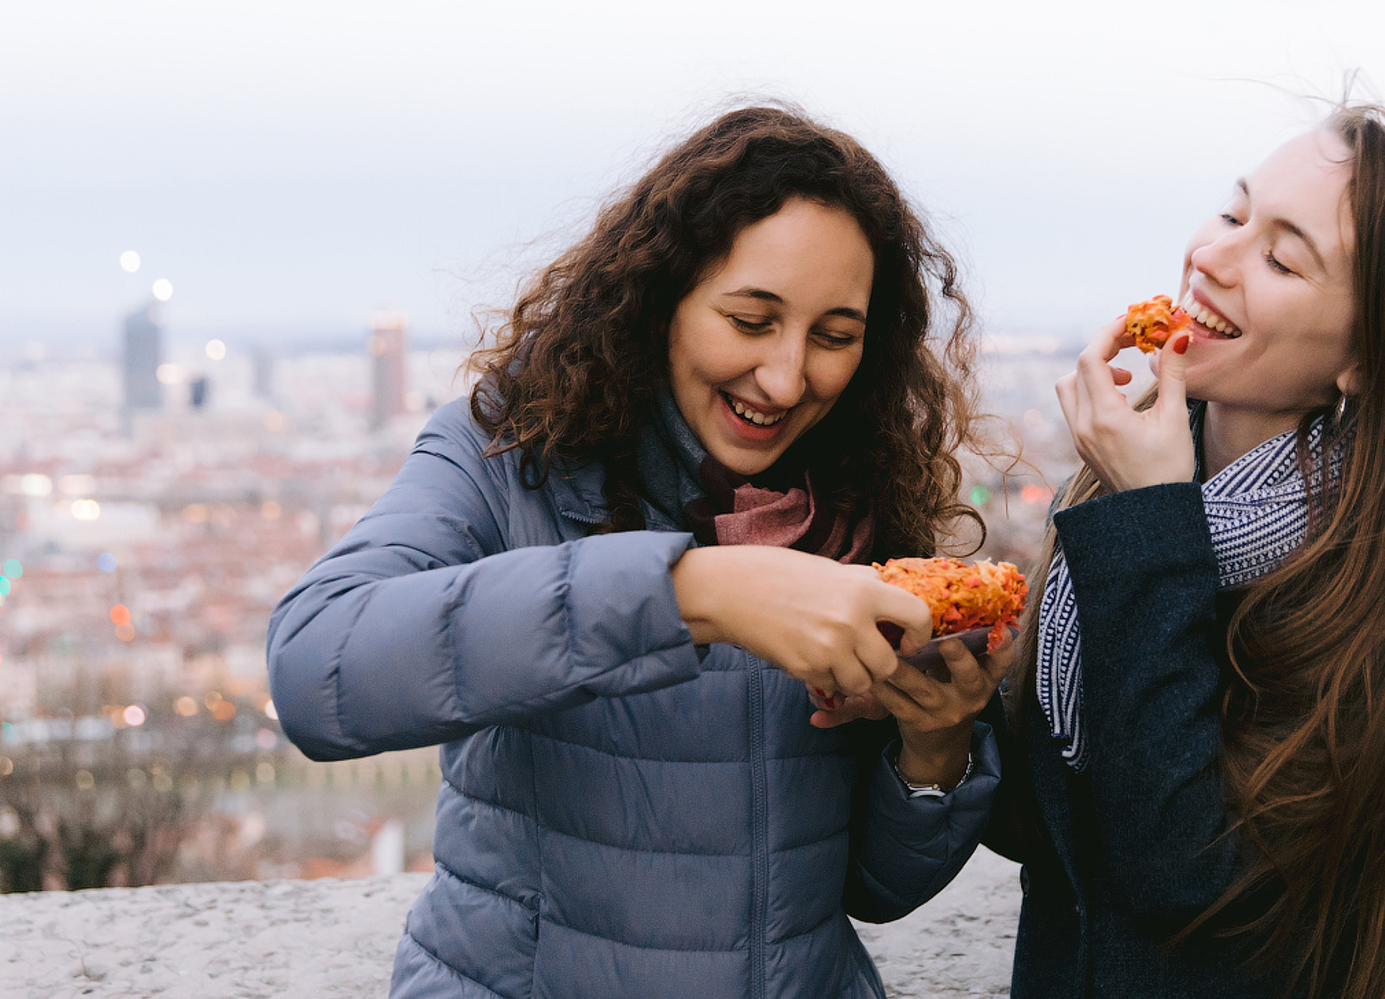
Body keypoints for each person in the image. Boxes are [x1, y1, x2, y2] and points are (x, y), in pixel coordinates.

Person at [267, 105, 1013, 999]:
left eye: (833, 337)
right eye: (750, 320)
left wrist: (933, 746)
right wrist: (696, 594)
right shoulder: (507, 453)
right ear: (660, 299)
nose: (786, 378)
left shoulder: (854, 502)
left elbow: (869, 891)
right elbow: (316, 668)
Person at [988, 104, 1385, 999]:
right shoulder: (1120, 496)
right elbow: (1069, 837)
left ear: (1369, 358)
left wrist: (1150, 520)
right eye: (1234, 214)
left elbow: (1188, 880)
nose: (1212, 257)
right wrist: (940, 725)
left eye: (1281, 259)